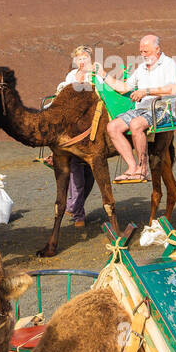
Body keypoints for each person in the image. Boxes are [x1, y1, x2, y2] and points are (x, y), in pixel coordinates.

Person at [105, 34, 176, 183]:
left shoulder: (169, 64)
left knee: (136, 124)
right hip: (141, 110)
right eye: (141, 52)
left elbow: (173, 89)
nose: (143, 55)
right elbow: (124, 87)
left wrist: (146, 91)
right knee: (113, 127)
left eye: (146, 52)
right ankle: (132, 167)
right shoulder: (142, 68)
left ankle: (143, 169)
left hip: (161, 109)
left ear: (157, 49)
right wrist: (103, 75)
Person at [57, 46, 100, 226]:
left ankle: (75, 208)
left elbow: (98, 95)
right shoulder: (71, 76)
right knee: (76, 172)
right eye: (79, 59)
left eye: (85, 58)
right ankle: (77, 213)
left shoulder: (94, 75)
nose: (82, 62)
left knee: (89, 175)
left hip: (90, 123)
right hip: (72, 125)